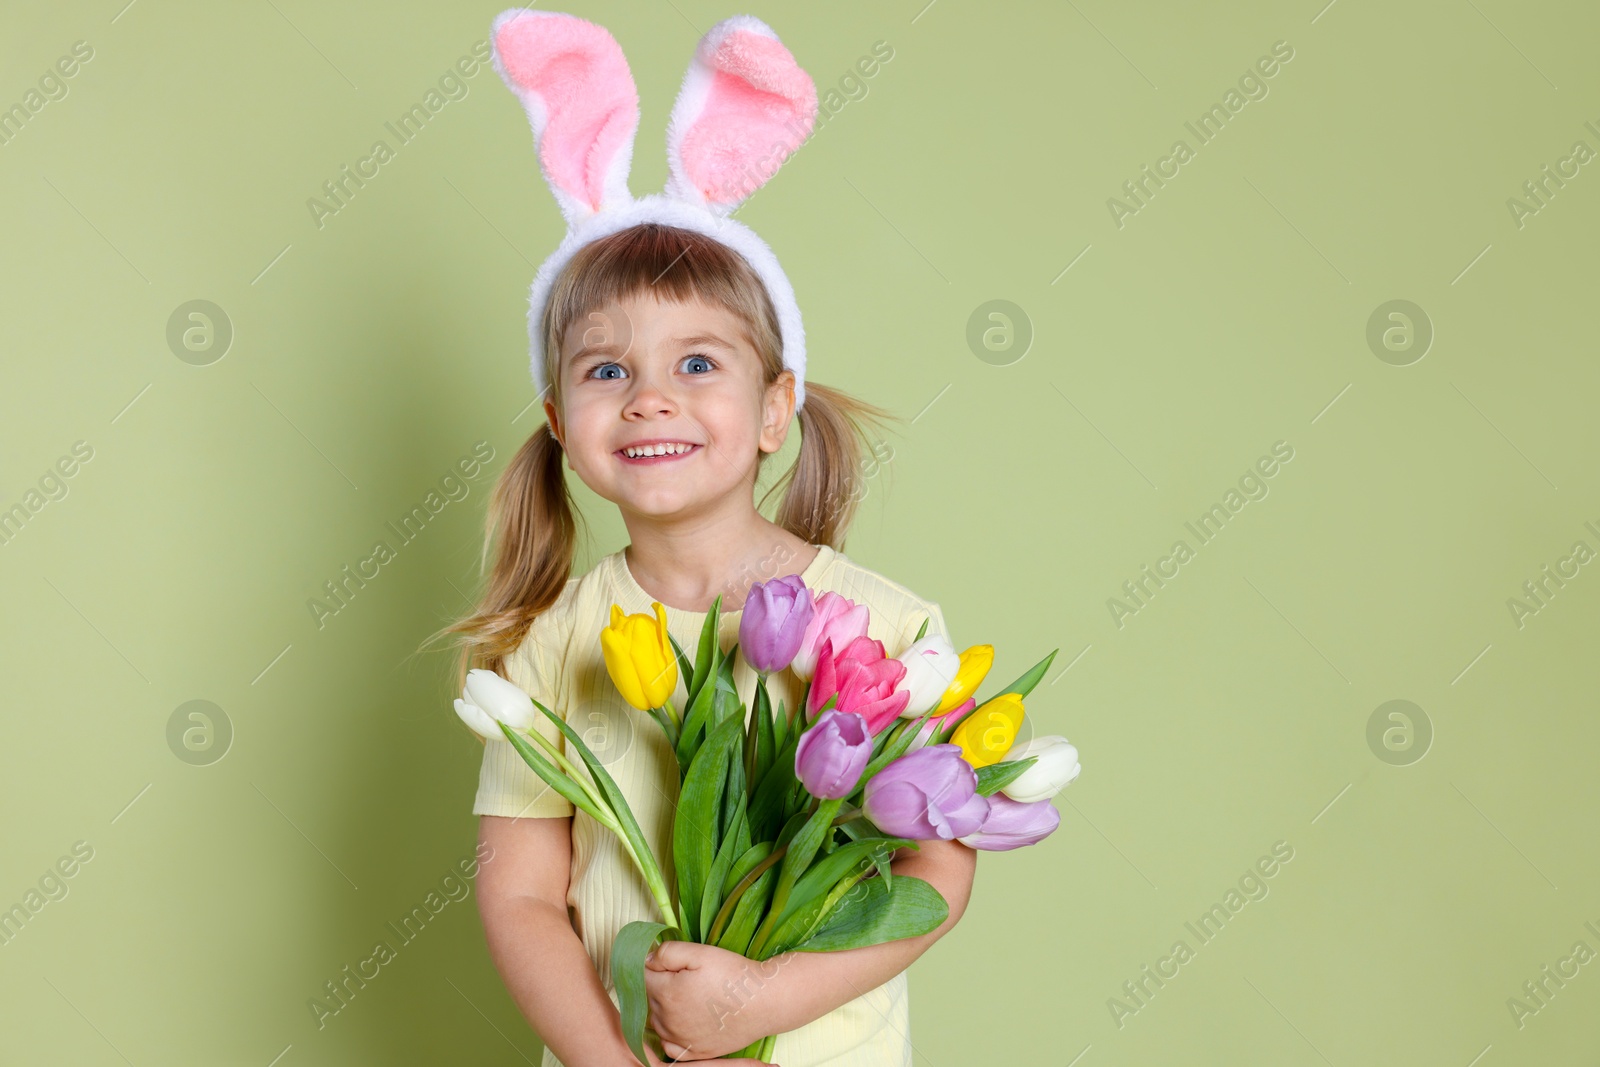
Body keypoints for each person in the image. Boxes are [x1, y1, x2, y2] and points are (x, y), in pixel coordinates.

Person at [435, 12, 977, 1065]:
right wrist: (609, 1057)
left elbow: (937, 874)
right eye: (605, 370)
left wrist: (762, 999)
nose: (647, 399)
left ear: (776, 408)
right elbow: (519, 892)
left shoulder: (887, 625)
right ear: (559, 420)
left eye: (696, 365)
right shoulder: (550, 641)